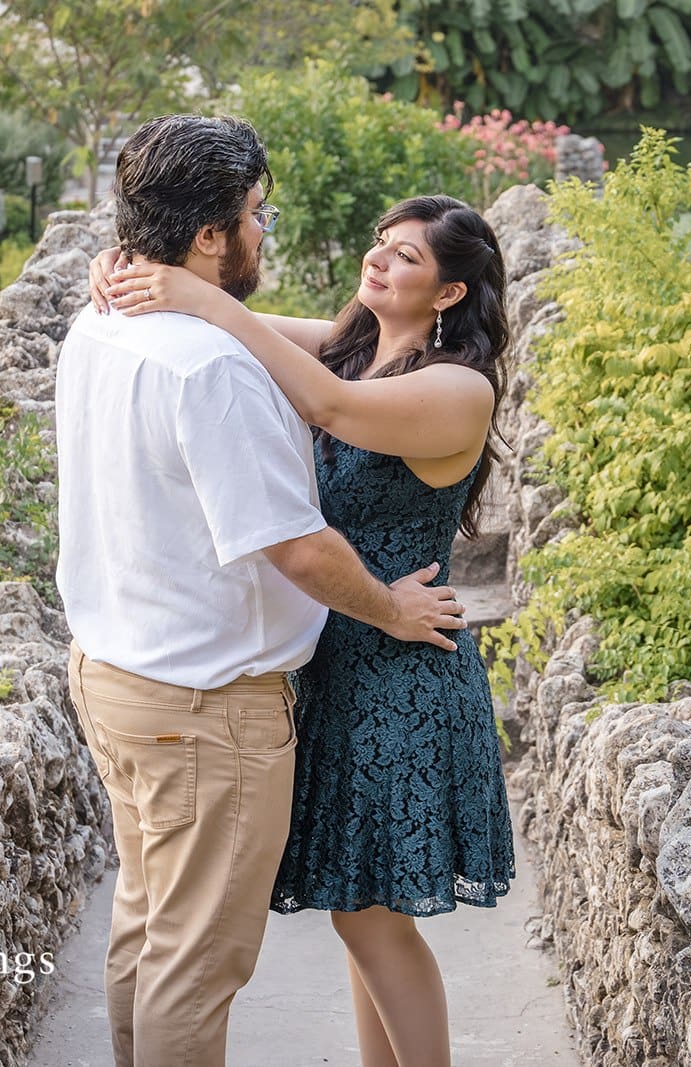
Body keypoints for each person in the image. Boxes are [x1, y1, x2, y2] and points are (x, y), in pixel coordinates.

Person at [54, 115, 468, 1067]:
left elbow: (339, 373)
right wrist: (392, 605)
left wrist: (182, 295)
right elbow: (297, 547)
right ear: (209, 238)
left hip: (117, 677)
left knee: (149, 932)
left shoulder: (101, 321)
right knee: (193, 969)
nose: (263, 233)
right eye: (253, 215)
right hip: (202, 708)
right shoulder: (210, 369)